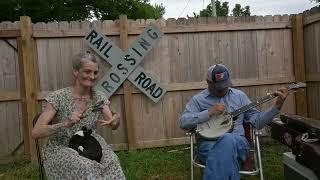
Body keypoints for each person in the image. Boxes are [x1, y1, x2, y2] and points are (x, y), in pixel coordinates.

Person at [179, 64, 289, 180]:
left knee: (227, 139)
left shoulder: (239, 96)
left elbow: (258, 123)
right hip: (209, 144)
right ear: (208, 82)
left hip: (238, 143)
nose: (223, 90)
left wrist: (277, 106)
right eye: (219, 88)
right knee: (226, 156)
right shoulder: (198, 100)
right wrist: (208, 112)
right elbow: (183, 122)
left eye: (225, 86)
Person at [32, 51, 126, 179]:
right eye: (87, 72)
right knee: (85, 166)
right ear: (76, 72)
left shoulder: (99, 97)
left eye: (95, 72)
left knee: (112, 162)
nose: (92, 76)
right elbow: (36, 132)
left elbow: (113, 124)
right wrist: (64, 124)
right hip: (61, 147)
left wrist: (116, 118)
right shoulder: (58, 97)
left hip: (91, 145)